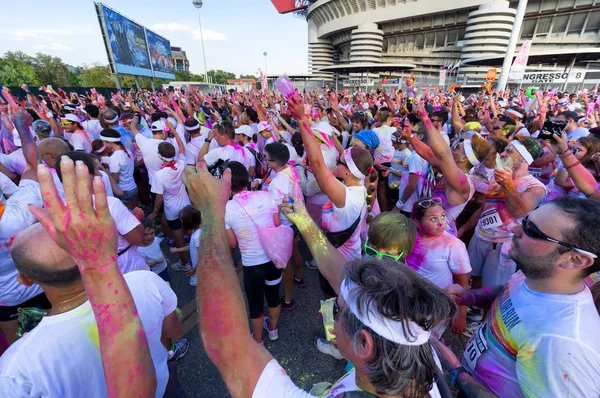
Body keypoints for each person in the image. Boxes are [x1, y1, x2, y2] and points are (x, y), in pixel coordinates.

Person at [181, 161, 459, 398]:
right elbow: (340, 274)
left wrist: (211, 214)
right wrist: (302, 218)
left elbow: (225, 343)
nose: (332, 319)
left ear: (365, 343)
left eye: (339, 308)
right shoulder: (417, 350)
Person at [0, 156, 177, 397]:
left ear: (25, 279)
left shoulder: (17, 368)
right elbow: (172, 330)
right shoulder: (144, 282)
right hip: (166, 387)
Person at [438, 197, 600, 397]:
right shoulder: (536, 274)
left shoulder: (562, 343)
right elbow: (508, 290)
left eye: (531, 230)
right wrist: (470, 297)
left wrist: (455, 369)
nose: (514, 230)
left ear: (575, 259)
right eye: (525, 221)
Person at [461, 138, 547, 292]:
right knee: (475, 277)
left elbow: (519, 212)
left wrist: (508, 185)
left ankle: (486, 315)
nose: (502, 153)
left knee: (494, 288)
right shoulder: (497, 178)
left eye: (509, 151)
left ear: (523, 158)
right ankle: (475, 309)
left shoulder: (535, 187)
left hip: (503, 245)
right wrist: (463, 229)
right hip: (480, 236)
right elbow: (483, 209)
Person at [0, 109, 50, 346]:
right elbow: (33, 164)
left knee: (21, 345)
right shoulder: (16, 216)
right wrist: (22, 128)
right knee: (58, 335)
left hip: (6, 301)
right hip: (40, 284)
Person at [55, 151, 148, 275]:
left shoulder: (57, 211)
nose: (100, 174)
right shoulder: (110, 205)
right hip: (128, 269)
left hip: (93, 278)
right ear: (85, 175)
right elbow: (138, 238)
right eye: (96, 170)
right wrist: (136, 218)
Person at [225, 161, 282, 344]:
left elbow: (232, 243)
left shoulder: (227, 209)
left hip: (252, 264)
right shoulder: (265, 196)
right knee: (273, 297)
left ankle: (257, 340)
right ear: (245, 178)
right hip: (273, 258)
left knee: (255, 304)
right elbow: (276, 224)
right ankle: (273, 330)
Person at [405, 197, 471, 334]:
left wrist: (461, 316)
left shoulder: (453, 245)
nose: (441, 223)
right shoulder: (409, 237)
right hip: (409, 301)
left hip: (435, 308)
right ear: (417, 221)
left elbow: (462, 283)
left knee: (429, 343)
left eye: (442, 216)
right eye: (433, 219)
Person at [263, 141, 304, 310]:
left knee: (284, 263)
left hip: (285, 224)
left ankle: (288, 299)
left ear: (276, 163)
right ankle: (300, 278)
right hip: (296, 218)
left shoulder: (276, 183)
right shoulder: (290, 169)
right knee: (295, 250)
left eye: (267, 159)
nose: (265, 161)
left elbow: (274, 207)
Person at [148, 134, 191, 271]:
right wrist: (174, 130)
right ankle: (200, 260)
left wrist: (154, 212)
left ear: (160, 156)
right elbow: (182, 149)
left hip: (171, 211)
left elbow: (159, 198)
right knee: (193, 236)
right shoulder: (181, 164)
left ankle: (185, 264)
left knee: (179, 239)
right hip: (186, 206)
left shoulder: (159, 175)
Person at [100, 129, 138, 210]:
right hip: (133, 188)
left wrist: (104, 171)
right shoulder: (127, 151)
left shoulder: (115, 158)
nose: (103, 144)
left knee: (130, 217)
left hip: (123, 191)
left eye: (104, 142)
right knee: (136, 213)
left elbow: (115, 180)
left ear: (110, 142)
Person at [136, 219, 171, 284]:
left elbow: (159, 248)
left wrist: (165, 257)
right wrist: (156, 262)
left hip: (163, 267)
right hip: (155, 273)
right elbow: (144, 266)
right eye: (145, 234)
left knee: (168, 282)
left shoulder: (155, 240)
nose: (149, 237)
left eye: (152, 233)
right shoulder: (140, 250)